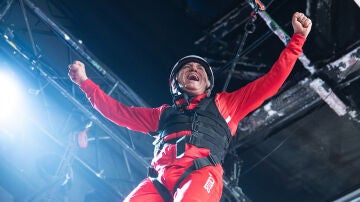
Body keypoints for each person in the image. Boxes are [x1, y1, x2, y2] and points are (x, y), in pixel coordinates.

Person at [68, 12, 312, 202]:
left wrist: (297, 39)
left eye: (201, 70)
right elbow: (117, 112)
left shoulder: (226, 104)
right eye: (188, 69)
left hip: (200, 175)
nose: (195, 70)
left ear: (207, 83)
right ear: (175, 83)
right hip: (160, 183)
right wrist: (84, 83)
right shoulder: (162, 115)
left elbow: (272, 81)